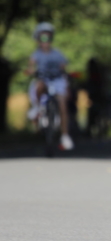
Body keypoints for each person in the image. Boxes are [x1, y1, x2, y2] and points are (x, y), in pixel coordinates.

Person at [26, 22, 74, 150]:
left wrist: (66, 74)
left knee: (63, 105)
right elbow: (31, 65)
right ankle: (37, 107)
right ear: (38, 39)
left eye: (48, 37)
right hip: (44, 80)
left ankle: (64, 135)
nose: (45, 41)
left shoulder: (57, 53)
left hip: (57, 80)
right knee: (39, 86)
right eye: (43, 38)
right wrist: (31, 70)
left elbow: (63, 67)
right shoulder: (36, 54)